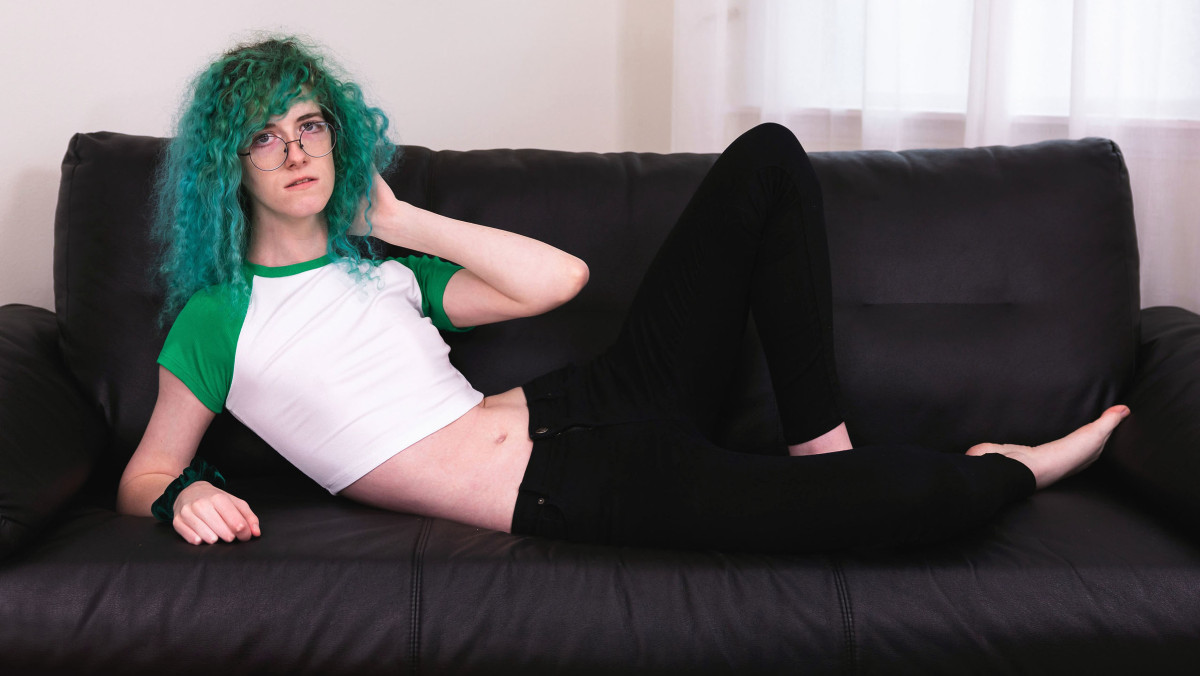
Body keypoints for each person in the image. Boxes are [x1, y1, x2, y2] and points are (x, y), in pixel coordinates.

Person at [117, 36, 1130, 554]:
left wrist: (400, 222)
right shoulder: (219, 316)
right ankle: (1010, 469)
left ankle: (824, 454)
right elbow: (147, 469)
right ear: (228, 167)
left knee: (768, 158)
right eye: (263, 137)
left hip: (596, 399)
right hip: (571, 487)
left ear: (337, 135)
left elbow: (558, 281)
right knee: (915, 507)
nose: (295, 151)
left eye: (310, 125)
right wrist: (183, 493)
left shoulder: (384, 267)